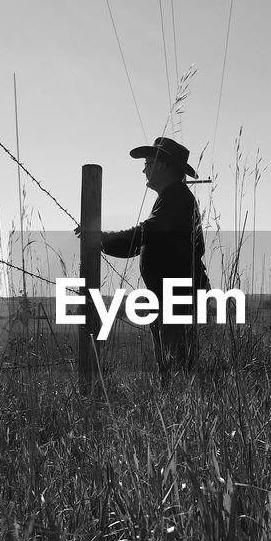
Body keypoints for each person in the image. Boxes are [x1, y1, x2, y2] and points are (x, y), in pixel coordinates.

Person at [100, 136, 210, 377]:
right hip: (174, 295)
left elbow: (142, 235)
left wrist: (100, 240)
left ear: (162, 166)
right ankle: (178, 406)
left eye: (147, 163)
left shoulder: (175, 199)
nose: (144, 169)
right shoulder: (173, 198)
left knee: (178, 368)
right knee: (174, 365)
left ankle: (181, 409)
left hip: (177, 296)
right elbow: (146, 240)